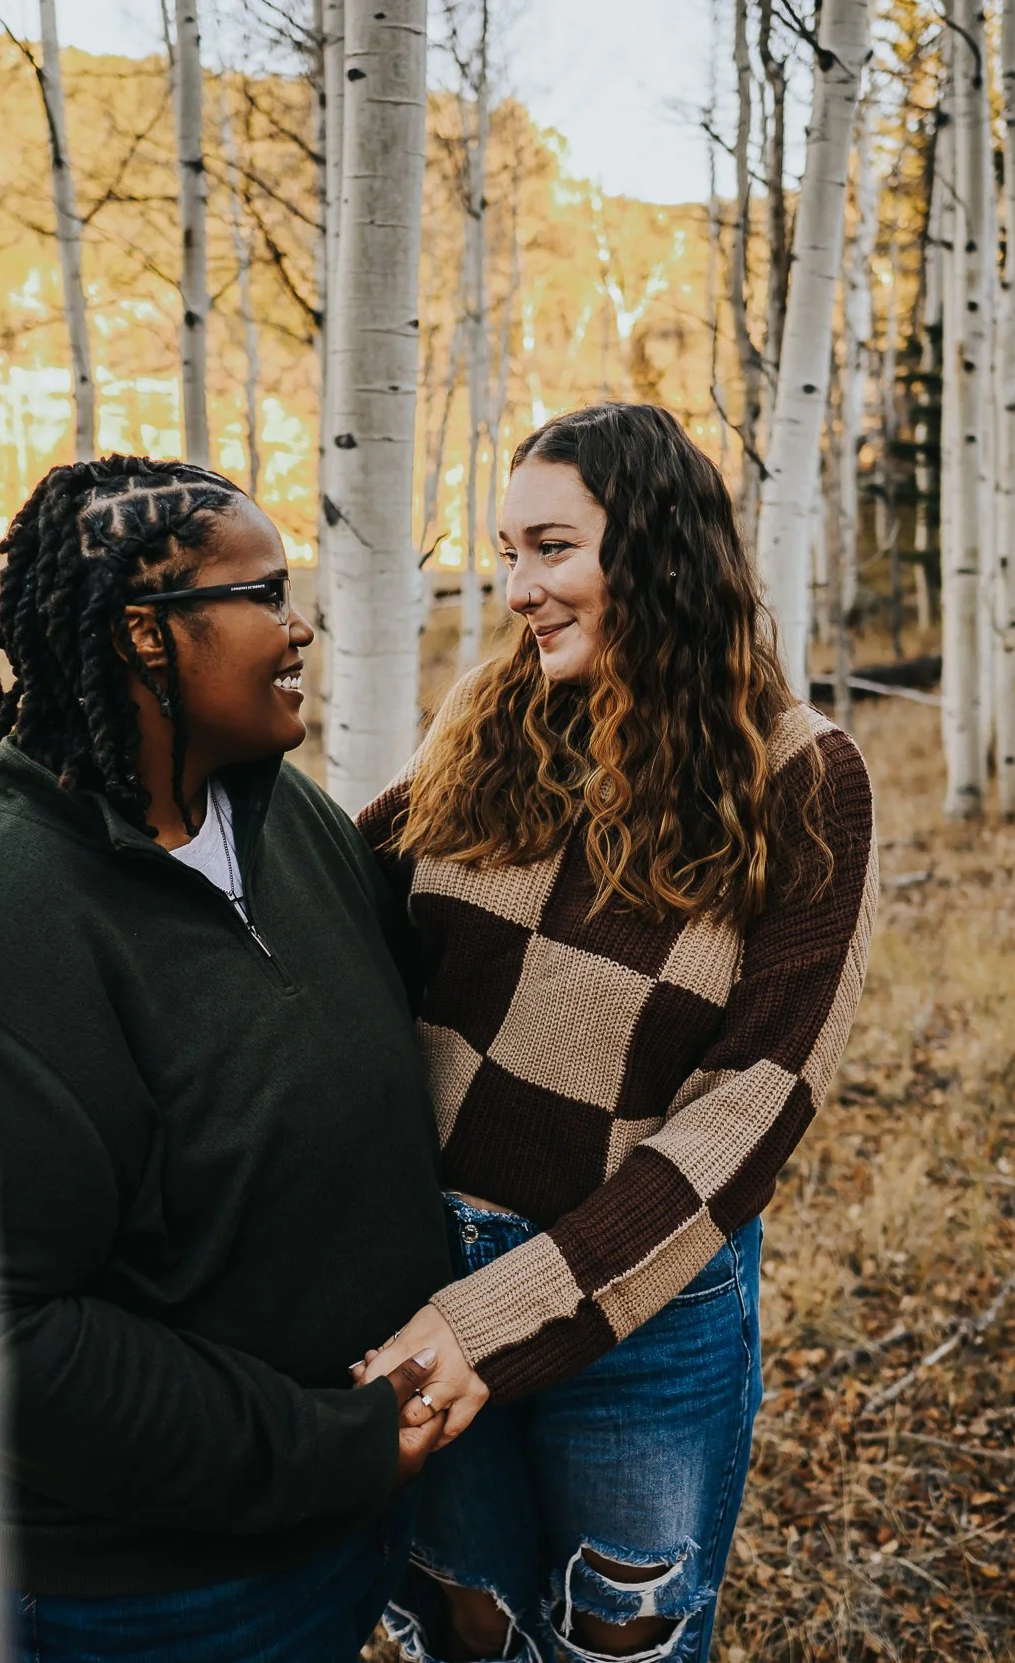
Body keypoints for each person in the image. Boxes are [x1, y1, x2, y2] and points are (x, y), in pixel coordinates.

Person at [355, 404, 877, 1663]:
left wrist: (504, 1314)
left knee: (615, 1644)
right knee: (464, 1627)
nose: (517, 587)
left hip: (648, 1307)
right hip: (431, 1272)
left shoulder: (802, 774)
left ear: (653, 549)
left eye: (550, 548)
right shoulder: (497, 712)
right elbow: (340, 897)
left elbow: (756, 1102)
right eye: (507, 550)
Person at [0, 456, 456, 1663]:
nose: (299, 623)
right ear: (143, 638)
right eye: (265, 593)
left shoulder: (277, 811)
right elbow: (3, 1334)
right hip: (156, 1597)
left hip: (346, 1522)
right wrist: (330, 1446)